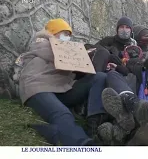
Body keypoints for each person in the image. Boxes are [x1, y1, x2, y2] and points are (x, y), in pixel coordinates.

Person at [19, 18, 110, 146]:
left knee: (99, 77)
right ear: (52, 33)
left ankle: (93, 124)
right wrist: (80, 55)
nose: (67, 38)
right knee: (62, 114)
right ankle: (83, 144)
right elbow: (58, 54)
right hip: (38, 87)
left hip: (62, 88)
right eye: (64, 33)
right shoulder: (41, 44)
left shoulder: (66, 51)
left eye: (68, 35)